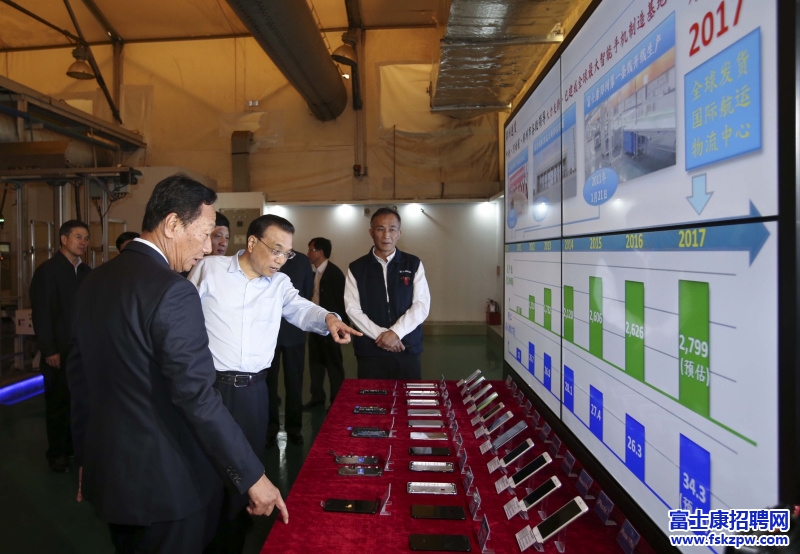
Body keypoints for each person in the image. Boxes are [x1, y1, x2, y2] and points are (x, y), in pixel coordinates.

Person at [67, 174, 286, 554]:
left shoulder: (94, 280)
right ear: (171, 224)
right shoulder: (172, 290)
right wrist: (253, 476)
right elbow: (196, 396)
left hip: (112, 478)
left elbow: (80, 379)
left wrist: (86, 457)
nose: (208, 247)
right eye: (203, 233)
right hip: (165, 487)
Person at [188, 214, 361, 552]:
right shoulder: (210, 270)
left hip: (255, 393)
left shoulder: (279, 284)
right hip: (211, 390)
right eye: (276, 250)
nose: (281, 260)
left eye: (287, 253)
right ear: (252, 242)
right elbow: (182, 313)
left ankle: (236, 535)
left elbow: (302, 309)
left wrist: (328, 318)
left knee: (248, 467)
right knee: (208, 466)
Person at [30, 219, 91, 473]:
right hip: (58, 351)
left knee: (79, 402)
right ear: (63, 239)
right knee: (58, 403)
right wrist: (49, 350)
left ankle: (74, 447)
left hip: (82, 351)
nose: (83, 242)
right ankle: (57, 454)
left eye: (86, 238)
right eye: (78, 237)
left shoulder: (86, 272)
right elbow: (41, 313)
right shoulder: (48, 271)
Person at [345, 207, 431, 380]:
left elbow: (421, 304)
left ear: (399, 233)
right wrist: (382, 337)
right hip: (371, 351)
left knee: (407, 395)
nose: (386, 235)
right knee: (372, 396)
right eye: (380, 229)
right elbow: (352, 309)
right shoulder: (357, 268)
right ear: (371, 232)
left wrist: (396, 333)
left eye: (392, 229)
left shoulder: (413, 263)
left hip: (406, 348)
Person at [266, 251, 313, 447]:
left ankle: (294, 428)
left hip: (294, 333)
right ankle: (270, 428)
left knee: (294, 383)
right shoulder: (266, 256)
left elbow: (307, 294)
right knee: (268, 384)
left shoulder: (302, 261)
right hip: (268, 333)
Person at [304, 237, 348, 410]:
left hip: (332, 328)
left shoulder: (334, 274)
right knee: (315, 364)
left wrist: (341, 326)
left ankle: (337, 401)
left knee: (333, 365)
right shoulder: (313, 273)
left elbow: (342, 303)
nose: (308, 253)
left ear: (320, 252)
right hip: (315, 326)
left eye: (311, 250)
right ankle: (317, 398)